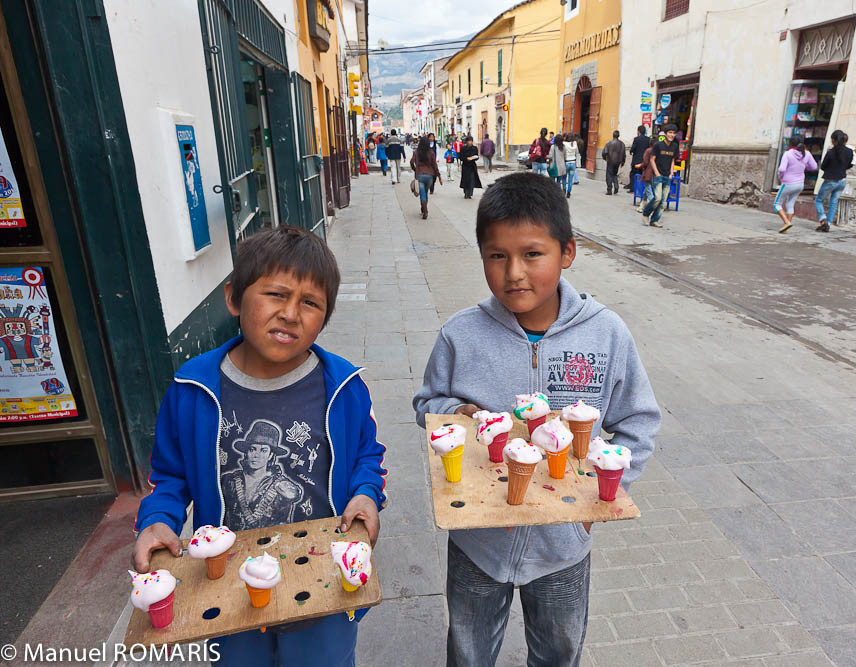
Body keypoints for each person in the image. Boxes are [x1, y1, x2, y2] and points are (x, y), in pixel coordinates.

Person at [413, 172, 660, 667]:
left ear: (567, 252)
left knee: (558, 651)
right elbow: (427, 404)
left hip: (563, 544)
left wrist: (600, 495)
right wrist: (454, 413)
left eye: (532, 254)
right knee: (468, 649)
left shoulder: (606, 335)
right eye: (497, 256)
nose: (514, 274)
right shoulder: (460, 334)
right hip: (477, 539)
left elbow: (638, 423)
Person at [132, 226, 387, 666]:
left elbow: (367, 453)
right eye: (275, 294)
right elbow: (170, 475)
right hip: (227, 584)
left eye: (310, 303)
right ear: (233, 298)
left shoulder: (342, 387)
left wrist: (366, 493)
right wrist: (158, 519)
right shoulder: (194, 389)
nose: (291, 313)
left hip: (321, 578)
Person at [815, 130, 854, 232]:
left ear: (833, 140)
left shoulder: (831, 152)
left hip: (830, 181)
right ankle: (828, 223)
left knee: (818, 200)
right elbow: (849, 165)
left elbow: (823, 166)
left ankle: (823, 220)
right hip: (842, 180)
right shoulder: (849, 151)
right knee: (834, 201)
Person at [774, 141, 817, 233]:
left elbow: (781, 169)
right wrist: (805, 166)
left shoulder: (787, 154)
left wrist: (781, 177)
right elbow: (814, 167)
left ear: (791, 144)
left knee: (777, 204)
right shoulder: (807, 153)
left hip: (787, 183)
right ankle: (787, 228)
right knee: (790, 204)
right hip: (800, 184)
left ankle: (786, 222)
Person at [641, 126, 680, 228]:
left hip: (668, 176)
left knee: (663, 202)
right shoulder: (658, 145)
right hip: (658, 175)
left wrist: (671, 173)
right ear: (665, 134)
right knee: (657, 198)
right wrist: (657, 173)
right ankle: (646, 213)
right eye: (670, 132)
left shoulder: (675, 146)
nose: (672, 135)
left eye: (674, 133)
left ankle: (654, 220)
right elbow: (652, 159)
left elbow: (672, 160)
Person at [411, 136, 443, 219]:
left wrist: (415, 169)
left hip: (420, 175)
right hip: (429, 176)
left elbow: (411, 162)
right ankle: (424, 208)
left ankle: (424, 210)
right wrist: (439, 176)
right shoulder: (431, 152)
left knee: (422, 194)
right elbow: (434, 165)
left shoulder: (416, 152)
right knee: (425, 192)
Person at [602, 129, 627, 195]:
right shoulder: (622, 144)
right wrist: (623, 162)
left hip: (610, 161)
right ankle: (616, 186)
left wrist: (605, 158)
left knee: (609, 175)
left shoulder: (609, 143)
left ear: (613, 135)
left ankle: (609, 189)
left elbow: (604, 152)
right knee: (615, 174)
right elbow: (624, 154)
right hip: (618, 162)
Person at [627, 125, 650, 193]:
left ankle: (632, 188)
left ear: (638, 131)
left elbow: (633, 148)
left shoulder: (637, 139)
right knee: (642, 174)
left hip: (636, 160)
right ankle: (641, 188)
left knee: (633, 174)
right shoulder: (648, 139)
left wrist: (631, 151)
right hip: (644, 160)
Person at [563, 133, 579, 197]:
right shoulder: (574, 143)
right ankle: (569, 192)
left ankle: (564, 189)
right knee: (570, 179)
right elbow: (577, 152)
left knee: (564, 177)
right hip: (573, 162)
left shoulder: (564, 144)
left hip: (566, 162)